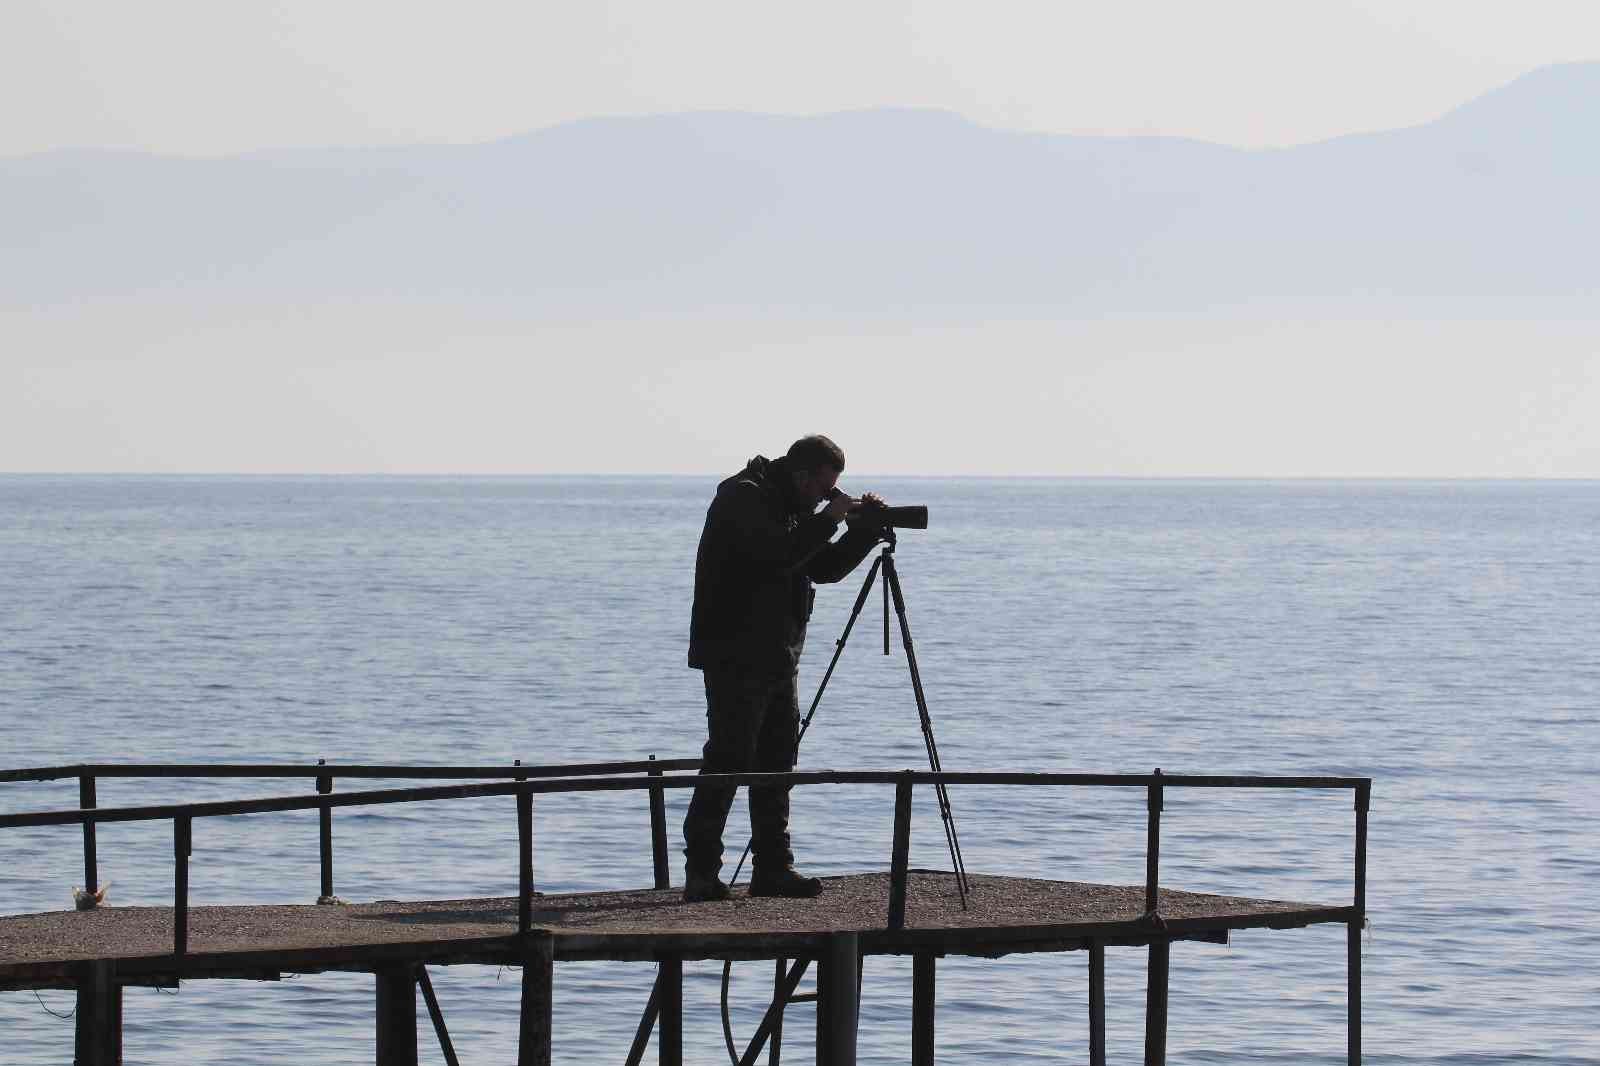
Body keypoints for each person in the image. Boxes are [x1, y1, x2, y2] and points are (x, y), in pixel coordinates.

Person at [681, 435, 884, 901]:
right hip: (735, 655)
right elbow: (777, 557)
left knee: (777, 763)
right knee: (728, 761)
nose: (824, 498)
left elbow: (822, 568)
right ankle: (701, 872)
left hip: (778, 654)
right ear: (801, 476)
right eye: (822, 488)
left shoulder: (792, 507)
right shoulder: (743, 497)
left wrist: (862, 532)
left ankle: (773, 868)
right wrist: (828, 521)